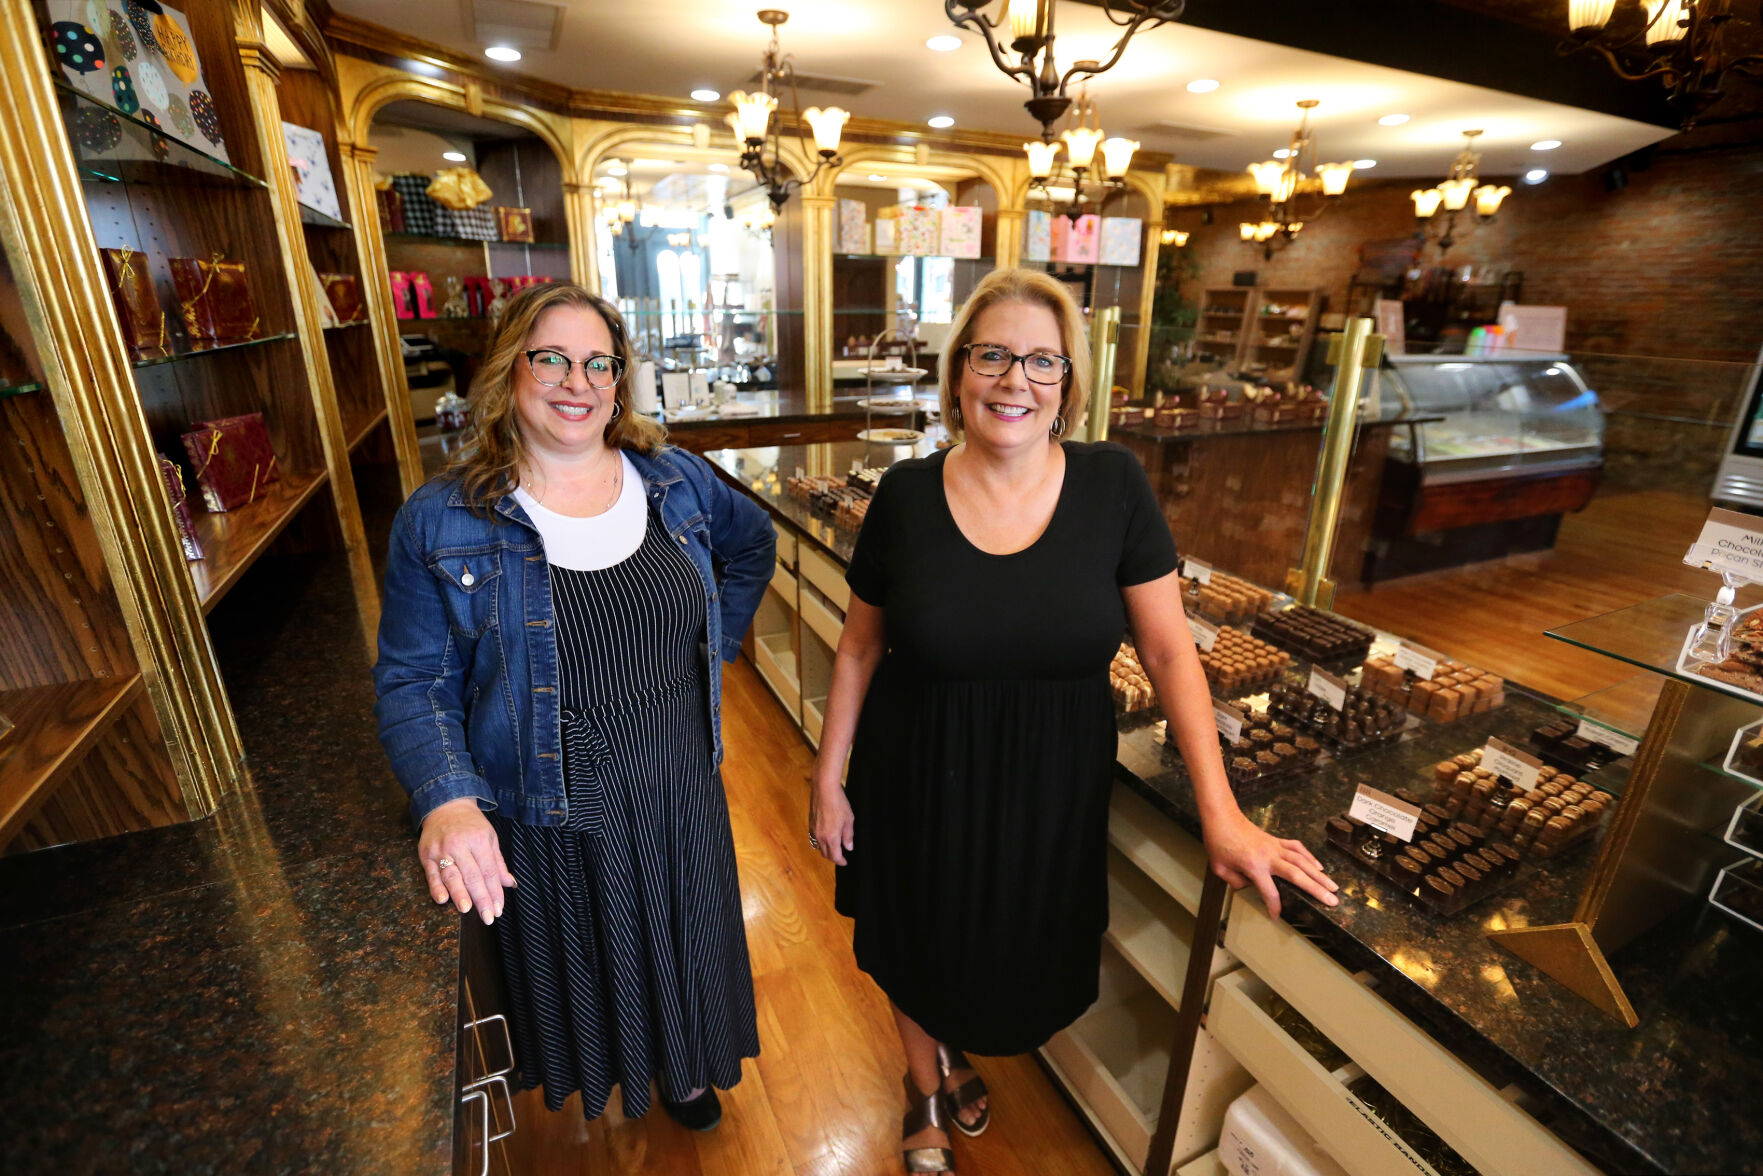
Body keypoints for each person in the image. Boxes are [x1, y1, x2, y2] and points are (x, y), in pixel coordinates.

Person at [808, 269, 1339, 1174]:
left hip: (1047, 789)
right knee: (909, 932)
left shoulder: (1112, 486)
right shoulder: (904, 495)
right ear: (958, 374)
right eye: (993, 356)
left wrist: (1222, 812)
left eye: (1041, 361)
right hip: (914, 766)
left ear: (1067, 385)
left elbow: (1173, 655)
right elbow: (858, 649)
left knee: (1005, 950)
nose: (1015, 379)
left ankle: (956, 1046)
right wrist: (826, 777)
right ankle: (923, 1083)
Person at [373, 283, 776, 1132]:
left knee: (684, 932)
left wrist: (714, 650)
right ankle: (625, 1072)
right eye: (550, 357)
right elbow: (414, 681)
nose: (576, 382)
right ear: (509, 371)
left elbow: (752, 546)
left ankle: (687, 1070)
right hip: (549, 790)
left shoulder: (676, 482)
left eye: (599, 363)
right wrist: (445, 796)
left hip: (676, 776)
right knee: (601, 959)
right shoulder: (441, 519)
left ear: (621, 382)